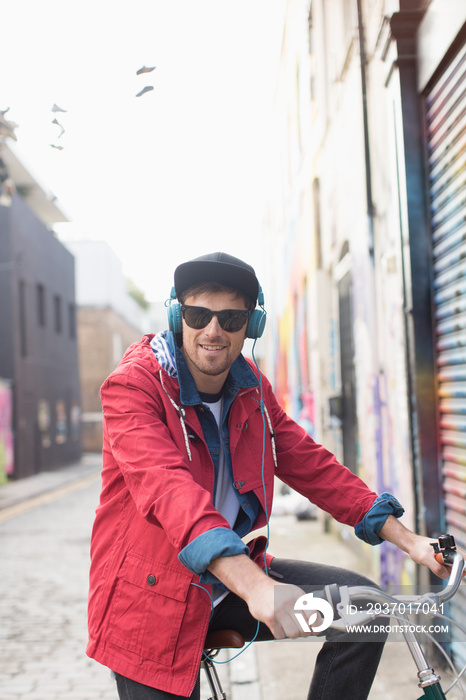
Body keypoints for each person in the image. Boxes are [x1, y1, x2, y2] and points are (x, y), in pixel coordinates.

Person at [87, 251, 452, 700]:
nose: (213, 330)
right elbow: (169, 491)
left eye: (231, 317)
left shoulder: (252, 388)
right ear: (176, 315)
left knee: (368, 609)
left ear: (251, 326)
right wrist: (257, 587)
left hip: (227, 587)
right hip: (150, 603)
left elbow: (309, 463)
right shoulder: (134, 387)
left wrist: (410, 541)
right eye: (198, 314)